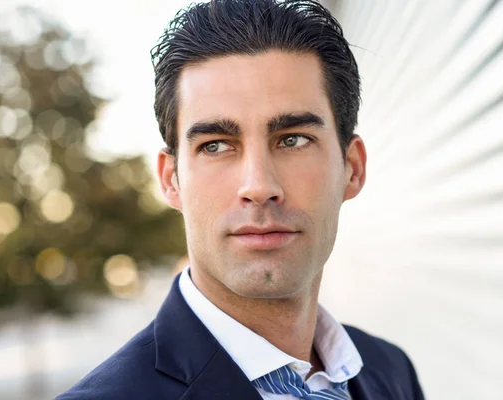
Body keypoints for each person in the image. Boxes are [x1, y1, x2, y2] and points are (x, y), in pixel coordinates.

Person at [57, 1, 425, 399]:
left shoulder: (391, 371)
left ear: (351, 168)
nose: (258, 185)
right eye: (215, 145)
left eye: (293, 139)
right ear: (171, 180)